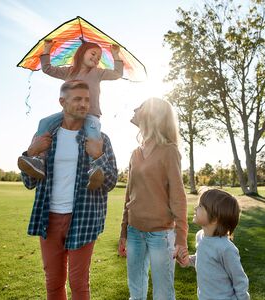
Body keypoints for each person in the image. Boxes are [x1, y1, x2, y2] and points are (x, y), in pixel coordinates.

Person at [21, 80, 118, 300]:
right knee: (53, 282)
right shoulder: (46, 137)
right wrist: (31, 151)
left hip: (83, 217)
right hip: (49, 217)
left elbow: (111, 182)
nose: (84, 104)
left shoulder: (100, 139)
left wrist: (97, 156)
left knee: (78, 282)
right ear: (62, 102)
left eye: (87, 100)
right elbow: (28, 182)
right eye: (78, 99)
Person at [18, 39, 123, 190]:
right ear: (81, 53)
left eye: (99, 57)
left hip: (91, 114)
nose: (96, 58)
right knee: (44, 123)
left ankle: (95, 170)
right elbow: (47, 68)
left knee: (94, 133)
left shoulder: (98, 73)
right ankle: (39, 161)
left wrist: (115, 54)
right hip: (67, 114)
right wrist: (47, 49)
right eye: (93, 53)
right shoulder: (69, 71)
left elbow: (117, 73)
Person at [117, 98, 188, 300]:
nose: (136, 111)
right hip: (134, 232)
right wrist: (123, 230)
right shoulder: (135, 154)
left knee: (163, 295)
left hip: (161, 235)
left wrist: (181, 237)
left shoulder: (169, 151)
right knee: (136, 293)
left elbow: (178, 196)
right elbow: (129, 195)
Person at [178, 189, 250, 300]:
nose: (196, 208)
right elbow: (203, 258)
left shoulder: (226, 248)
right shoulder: (200, 236)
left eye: (201, 206)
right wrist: (188, 260)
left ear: (215, 218)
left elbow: (240, 280)